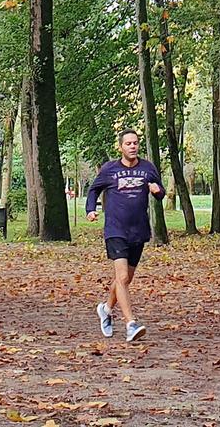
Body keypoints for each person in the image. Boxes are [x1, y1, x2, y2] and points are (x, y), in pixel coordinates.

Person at [84, 128, 164, 343]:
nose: (132, 146)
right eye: (128, 143)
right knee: (121, 278)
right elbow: (93, 190)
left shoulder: (148, 168)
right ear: (120, 147)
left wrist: (158, 191)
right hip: (115, 230)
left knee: (125, 279)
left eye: (135, 143)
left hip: (138, 231)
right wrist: (90, 209)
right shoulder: (110, 169)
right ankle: (131, 324)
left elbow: (160, 192)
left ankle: (106, 308)